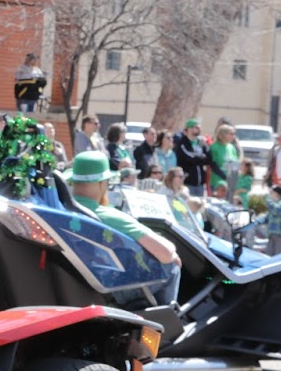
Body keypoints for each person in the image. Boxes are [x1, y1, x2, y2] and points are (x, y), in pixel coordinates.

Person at [63, 151, 181, 307]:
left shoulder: (63, 212)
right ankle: (166, 324)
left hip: (83, 290)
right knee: (172, 266)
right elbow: (165, 254)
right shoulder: (110, 217)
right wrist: (173, 252)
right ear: (102, 183)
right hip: (113, 291)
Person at [173, 119, 212, 196]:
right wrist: (201, 158)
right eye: (196, 127)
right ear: (189, 129)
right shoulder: (182, 143)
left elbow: (209, 159)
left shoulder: (202, 143)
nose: (199, 129)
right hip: (187, 182)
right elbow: (189, 158)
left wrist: (198, 158)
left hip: (200, 184)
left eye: (199, 127)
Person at [208, 124, 241, 201]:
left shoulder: (232, 147)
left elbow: (235, 163)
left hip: (230, 183)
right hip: (218, 182)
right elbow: (213, 165)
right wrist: (225, 177)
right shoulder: (214, 147)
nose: (233, 136)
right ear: (223, 134)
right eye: (231, 134)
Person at [263, 185, 281, 256]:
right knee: (269, 254)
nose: (271, 194)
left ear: (277, 193)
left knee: (278, 255)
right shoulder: (275, 203)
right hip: (272, 233)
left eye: (272, 192)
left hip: (280, 233)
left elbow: (276, 211)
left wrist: (268, 200)